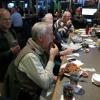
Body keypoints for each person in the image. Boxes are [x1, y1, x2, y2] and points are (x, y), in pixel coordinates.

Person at [3, 22, 59, 100]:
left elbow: (41, 71)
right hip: (26, 96)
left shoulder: (39, 49)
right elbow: (45, 84)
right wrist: (52, 57)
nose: (53, 38)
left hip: (36, 88)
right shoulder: (29, 56)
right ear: (40, 38)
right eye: (51, 34)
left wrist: (52, 77)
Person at [0, 8, 20, 82]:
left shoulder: (12, 31)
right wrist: (10, 52)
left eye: (9, 19)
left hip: (14, 68)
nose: (8, 21)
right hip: (3, 73)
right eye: (5, 19)